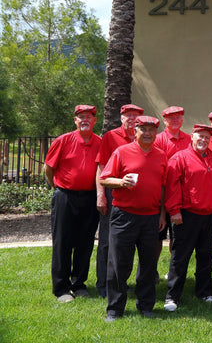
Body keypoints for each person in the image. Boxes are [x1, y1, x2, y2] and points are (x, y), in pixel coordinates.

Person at [99, 116, 168, 322]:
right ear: (135, 131)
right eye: (143, 129)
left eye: (151, 130)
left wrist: (162, 213)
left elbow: (163, 187)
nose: (147, 133)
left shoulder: (161, 155)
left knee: (148, 264)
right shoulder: (121, 152)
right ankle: (115, 308)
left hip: (150, 216)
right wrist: (121, 182)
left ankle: (146, 305)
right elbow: (104, 178)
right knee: (119, 264)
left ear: (156, 132)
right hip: (124, 216)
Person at [44, 105, 101, 303]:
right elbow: (48, 169)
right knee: (63, 242)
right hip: (65, 197)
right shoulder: (63, 140)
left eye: (89, 117)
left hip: (90, 197)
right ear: (75, 121)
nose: (85, 120)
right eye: (81, 117)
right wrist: (58, 189)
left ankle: (79, 284)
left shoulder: (99, 143)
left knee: (85, 242)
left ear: (95, 121)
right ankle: (61, 288)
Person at [164, 124, 212, 311]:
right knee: (180, 257)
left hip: (208, 215)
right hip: (186, 216)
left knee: (206, 256)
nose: (204, 140)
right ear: (192, 137)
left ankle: (204, 292)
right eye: (200, 136)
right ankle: (172, 296)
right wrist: (174, 211)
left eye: (207, 137)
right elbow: (172, 187)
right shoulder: (180, 158)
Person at [95, 103, 144, 298]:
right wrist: (100, 195)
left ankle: (121, 282)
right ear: (121, 118)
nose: (131, 118)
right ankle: (104, 284)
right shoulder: (111, 137)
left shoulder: (144, 136)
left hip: (135, 196)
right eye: (127, 115)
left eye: (135, 115)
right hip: (113, 193)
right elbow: (101, 167)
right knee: (108, 241)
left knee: (127, 242)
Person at [154, 106, 191, 282]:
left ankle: (173, 272)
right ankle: (151, 272)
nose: (175, 120)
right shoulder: (158, 139)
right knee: (156, 238)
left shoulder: (189, 139)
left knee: (177, 238)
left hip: (181, 196)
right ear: (164, 121)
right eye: (170, 118)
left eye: (178, 117)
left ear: (182, 119)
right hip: (160, 194)